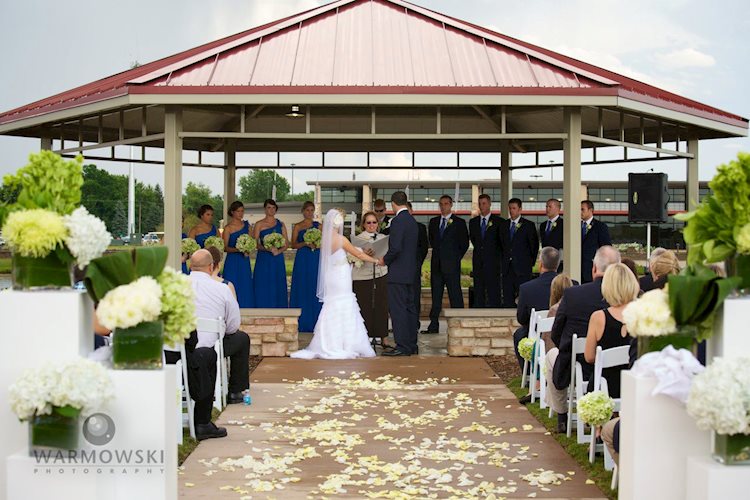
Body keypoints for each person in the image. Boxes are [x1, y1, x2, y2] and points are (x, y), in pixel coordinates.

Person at [170, 249, 249, 441]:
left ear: (190, 267)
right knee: (241, 338)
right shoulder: (221, 289)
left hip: (173, 355)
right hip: (206, 355)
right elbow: (233, 326)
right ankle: (234, 392)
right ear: (211, 267)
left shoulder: (174, 287)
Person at [545, 245, 621, 433]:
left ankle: (561, 415)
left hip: (576, 362)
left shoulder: (574, 294)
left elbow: (557, 331)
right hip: (616, 367)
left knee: (551, 356)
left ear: (594, 267)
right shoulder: (625, 297)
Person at [291, 209, 379, 359]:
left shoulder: (325, 240)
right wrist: (376, 260)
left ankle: (329, 341)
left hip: (331, 277)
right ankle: (346, 343)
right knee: (345, 302)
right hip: (341, 276)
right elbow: (358, 254)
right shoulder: (341, 239)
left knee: (332, 304)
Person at [583, 263, 639, 397]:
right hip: (634, 387)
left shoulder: (598, 318)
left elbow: (589, 357)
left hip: (604, 387)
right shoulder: (643, 315)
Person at [378, 191, 419, 356]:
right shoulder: (411, 221)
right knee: (410, 309)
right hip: (410, 272)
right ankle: (411, 344)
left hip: (398, 273)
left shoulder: (398, 221)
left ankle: (402, 346)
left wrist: (384, 260)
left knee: (398, 310)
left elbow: (395, 247)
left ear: (393, 203)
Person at [423, 195, 469, 334]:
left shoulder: (459, 223)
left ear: (451, 205)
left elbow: (464, 244)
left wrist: (454, 258)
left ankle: (459, 324)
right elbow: (432, 241)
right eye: (441, 204)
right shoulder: (433, 222)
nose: (443, 206)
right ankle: (433, 325)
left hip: (452, 266)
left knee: (455, 295)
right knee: (436, 296)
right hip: (436, 265)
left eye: (446, 204)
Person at [513, 247, 561, 373]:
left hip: (538, 336)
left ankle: (529, 373)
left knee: (519, 334)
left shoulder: (527, 288)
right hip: (563, 333)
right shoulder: (573, 284)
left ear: (541, 264)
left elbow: (522, 318)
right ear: (557, 264)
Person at [351, 211, 392, 349]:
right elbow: (350, 259)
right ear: (363, 224)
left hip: (380, 274)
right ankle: (365, 337)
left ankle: (384, 337)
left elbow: (389, 255)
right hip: (362, 277)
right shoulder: (357, 239)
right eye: (368, 222)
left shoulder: (383, 237)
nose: (371, 225)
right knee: (365, 307)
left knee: (382, 305)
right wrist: (363, 255)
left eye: (374, 222)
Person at [499, 198, 539, 307]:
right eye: (510, 208)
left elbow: (534, 246)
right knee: (507, 295)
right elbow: (501, 245)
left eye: (514, 208)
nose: (511, 211)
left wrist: (530, 263)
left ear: (520, 209)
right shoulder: (504, 225)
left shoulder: (528, 225)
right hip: (507, 267)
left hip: (523, 267)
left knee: (523, 296)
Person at [289, 201, 323, 332]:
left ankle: (316, 320)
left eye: (311, 210)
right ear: (303, 211)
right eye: (307, 210)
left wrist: (316, 243)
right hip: (303, 257)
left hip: (315, 257)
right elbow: (293, 244)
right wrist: (305, 243)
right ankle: (302, 320)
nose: (309, 213)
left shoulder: (319, 226)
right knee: (302, 285)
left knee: (315, 285)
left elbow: (324, 242)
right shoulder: (298, 226)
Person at [469, 194, 504, 307]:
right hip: (478, 262)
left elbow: (501, 243)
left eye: (484, 203)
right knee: (479, 291)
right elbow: (475, 240)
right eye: (480, 204)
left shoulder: (499, 222)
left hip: (493, 263)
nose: (481, 206)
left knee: (494, 291)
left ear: (489, 204)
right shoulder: (473, 222)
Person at [253, 199, 289, 308]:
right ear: (265, 209)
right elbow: (254, 244)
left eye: (273, 208)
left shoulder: (281, 224)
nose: (271, 210)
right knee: (263, 282)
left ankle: (278, 307)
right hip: (264, 257)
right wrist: (266, 248)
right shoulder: (259, 224)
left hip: (277, 258)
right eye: (269, 207)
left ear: (276, 210)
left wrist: (279, 251)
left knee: (277, 282)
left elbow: (287, 244)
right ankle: (262, 306)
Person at [221, 200, 254, 308]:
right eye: (238, 211)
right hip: (232, 261)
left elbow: (251, 242)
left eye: (242, 211)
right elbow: (225, 247)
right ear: (232, 212)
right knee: (232, 284)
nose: (241, 213)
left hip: (244, 260)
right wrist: (238, 249)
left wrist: (247, 249)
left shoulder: (247, 226)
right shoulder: (228, 228)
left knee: (245, 284)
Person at [408, 202, 429, 334]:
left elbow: (424, 247)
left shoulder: (420, 227)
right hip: (400, 269)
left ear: (411, 211)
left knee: (415, 296)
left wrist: (417, 263)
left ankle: (414, 323)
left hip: (414, 267)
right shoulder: (394, 226)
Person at [580, 200, 612, 283]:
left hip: (592, 269)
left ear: (590, 210)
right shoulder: (576, 226)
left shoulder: (600, 226)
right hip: (577, 269)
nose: (580, 212)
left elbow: (606, 247)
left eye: (582, 209)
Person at [540, 199, 564, 272]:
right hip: (545, 260)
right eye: (546, 206)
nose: (547, 209)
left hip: (559, 260)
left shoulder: (563, 223)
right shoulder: (543, 225)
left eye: (550, 207)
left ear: (558, 208)